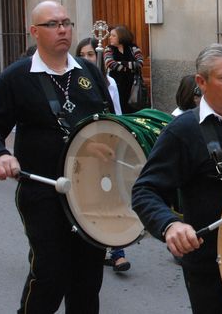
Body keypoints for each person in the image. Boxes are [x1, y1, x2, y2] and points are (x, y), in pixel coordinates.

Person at [131, 43, 222, 313]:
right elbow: (144, 191)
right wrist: (170, 226)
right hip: (213, 266)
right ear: (202, 82)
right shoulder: (183, 130)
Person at [0, 0, 113, 313]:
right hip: (43, 190)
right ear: (34, 31)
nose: (62, 29)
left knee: (87, 281)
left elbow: (110, 124)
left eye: (66, 22)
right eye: (53, 24)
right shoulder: (15, 78)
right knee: (50, 274)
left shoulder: (89, 72)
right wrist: (0, 155)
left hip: (91, 192)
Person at [76, 37, 131, 272]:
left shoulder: (108, 82)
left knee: (111, 194)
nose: (90, 58)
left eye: (92, 54)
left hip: (106, 145)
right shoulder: (73, 83)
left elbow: (116, 113)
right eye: (85, 55)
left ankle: (117, 251)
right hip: (82, 151)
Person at [104, 25, 144, 114]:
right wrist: (129, 66)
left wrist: (120, 63)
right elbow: (110, 63)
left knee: (133, 110)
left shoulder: (133, 48)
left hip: (133, 86)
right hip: (116, 85)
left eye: (113, 36)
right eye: (110, 35)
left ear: (121, 36)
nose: (110, 38)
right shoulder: (109, 49)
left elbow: (140, 63)